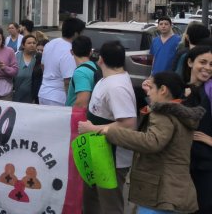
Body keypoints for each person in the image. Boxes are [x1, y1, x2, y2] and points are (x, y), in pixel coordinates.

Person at [79, 71, 203, 214]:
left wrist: (106, 131)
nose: (148, 93)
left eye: (151, 88)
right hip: (174, 191)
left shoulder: (163, 114)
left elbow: (151, 141)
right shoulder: (180, 113)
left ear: (163, 90)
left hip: (161, 193)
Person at [82, 40, 137, 214]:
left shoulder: (116, 86)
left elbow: (128, 124)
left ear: (101, 59)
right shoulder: (109, 79)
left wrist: (92, 129)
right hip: (97, 151)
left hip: (112, 157)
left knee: (109, 205)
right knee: (92, 199)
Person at [181, 45, 212, 213]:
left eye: (211, 64)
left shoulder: (210, 91)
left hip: (206, 165)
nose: (207, 68)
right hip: (183, 164)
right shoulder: (180, 89)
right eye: (203, 62)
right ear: (190, 62)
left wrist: (209, 140)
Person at [39, 17, 85, 106]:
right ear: (76, 34)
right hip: (59, 98)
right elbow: (68, 80)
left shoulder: (50, 43)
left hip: (43, 93)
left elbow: (42, 65)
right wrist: (70, 102)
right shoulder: (70, 50)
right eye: (82, 33)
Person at [66, 35, 101, 109]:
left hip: (80, 118)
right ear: (91, 52)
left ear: (72, 52)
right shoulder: (95, 66)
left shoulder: (80, 72)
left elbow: (82, 104)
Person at [12, 35, 37, 103]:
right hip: (15, 95)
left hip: (32, 97)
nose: (32, 45)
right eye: (29, 43)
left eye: (34, 43)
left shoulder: (38, 58)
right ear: (23, 45)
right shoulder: (15, 56)